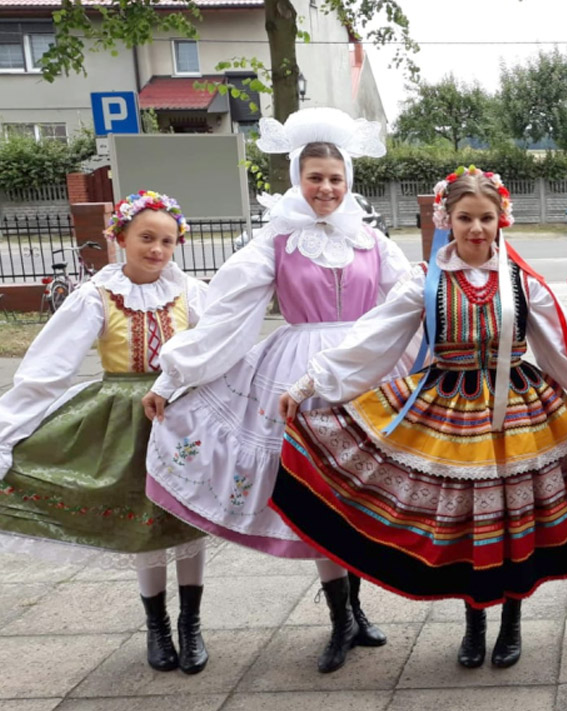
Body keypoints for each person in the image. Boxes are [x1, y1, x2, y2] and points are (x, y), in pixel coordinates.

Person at [273, 167, 567, 669]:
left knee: (516, 520)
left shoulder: (521, 281)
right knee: (467, 526)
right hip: (446, 408)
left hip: (517, 410)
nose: (476, 228)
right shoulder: (424, 281)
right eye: (465, 218)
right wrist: (308, 384)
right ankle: (474, 621)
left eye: (486, 218)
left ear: (501, 220)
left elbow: (560, 348)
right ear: (446, 219)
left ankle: (511, 620)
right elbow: (373, 340)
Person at [141, 108, 413, 673]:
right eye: (315, 177)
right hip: (297, 376)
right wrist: (175, 376)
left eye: (335, 179)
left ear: (350, 182)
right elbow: (227, 315)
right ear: (296, 176)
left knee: (359, 492)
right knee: (319, 491)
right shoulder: (275, 241)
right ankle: (340, 620)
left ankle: (357, 610)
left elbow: (412, 302)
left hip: (364, 370)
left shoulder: (373, 241)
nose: (326, 188)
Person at [0, 191, 210, 673]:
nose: (157, 249)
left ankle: (191, 624)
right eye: (146, 238)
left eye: (167, 241)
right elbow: (47, 369)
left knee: (188, 519)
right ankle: (157, 626)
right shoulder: (96, 297)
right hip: (123, 419)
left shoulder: (189, 293)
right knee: (143, 522)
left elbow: (220, 344)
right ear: (120, 238)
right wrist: (9, 431)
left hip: (180, 417)